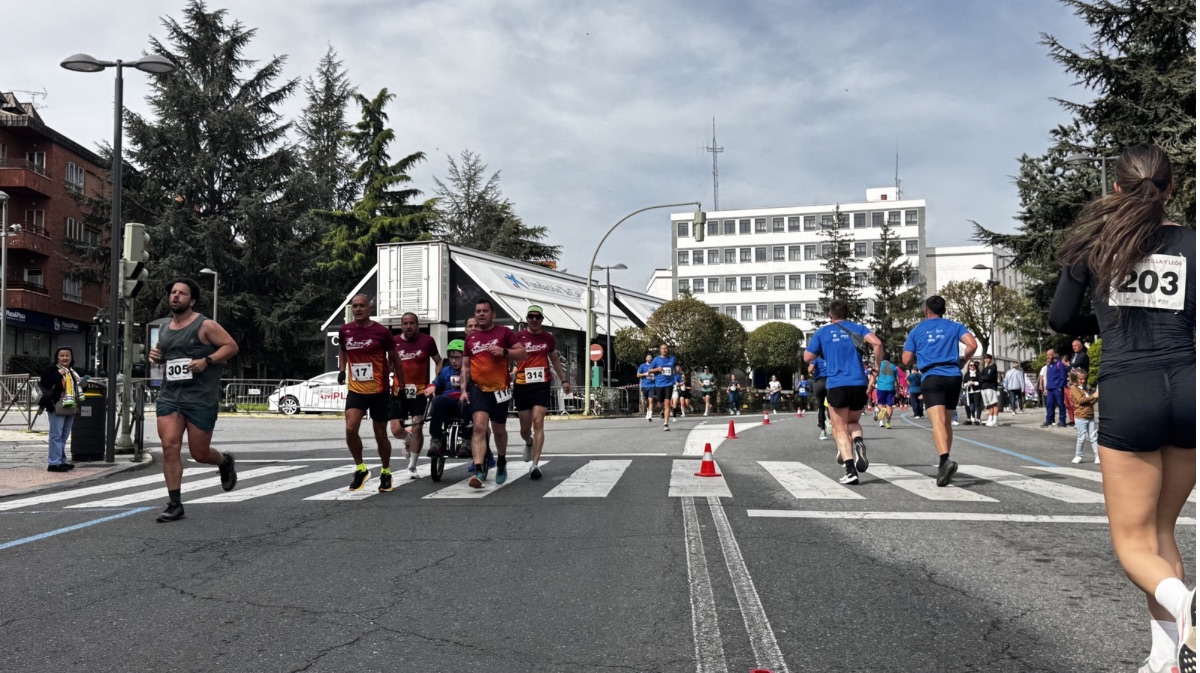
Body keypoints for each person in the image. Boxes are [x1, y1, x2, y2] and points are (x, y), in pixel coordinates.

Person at [1049, 144, 1195, 673]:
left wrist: (1106, 322)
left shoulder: (1093, 244)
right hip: (1190, 389)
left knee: (1133, 543)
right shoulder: (1194, 244)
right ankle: (1169, 658)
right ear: (1171, 187)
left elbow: (1061, 318)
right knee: (1161, 534)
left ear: (1117, 189)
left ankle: (1188, 608)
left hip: (1129, 390)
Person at [148, 278, 240, 522]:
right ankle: (175, 504)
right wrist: (156, 357)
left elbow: (231, 347)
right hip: (170, 396)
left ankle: (224, 461)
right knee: (170, 446)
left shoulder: (205, 325)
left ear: (193, 300)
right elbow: (164, 355)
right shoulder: (166, 327)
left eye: (182, 293)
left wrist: (207, 360)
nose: (175, 296)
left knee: (199, 453)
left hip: (200, 398)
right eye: (173, 292)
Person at [803, 299, 882, 485]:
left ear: (830, 315)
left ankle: (850, 469)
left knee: (839, 428)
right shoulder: (859, 329)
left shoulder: (823, 332)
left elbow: (807, 357)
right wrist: (876, 367)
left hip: (837, 384)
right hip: (858, 384)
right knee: (853, 422)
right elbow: (877, 344)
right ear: (848, 314)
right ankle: (859, 441)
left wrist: (823, 351)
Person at [903, 295, 978, 487]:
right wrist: (963, 360)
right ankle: (944, 463)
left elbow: (906, 360)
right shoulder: (954, 326)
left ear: (926, 310)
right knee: (946, 422)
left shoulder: (917, 330)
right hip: (953, 376)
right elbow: (972, 345)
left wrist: (917, 358)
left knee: (937, 422)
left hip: (932, 377)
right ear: (944, 310)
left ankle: (944, 460)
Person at [338, 293, 405, 492]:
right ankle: (361, 469)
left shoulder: (381, 332)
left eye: (362, 306)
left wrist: (401, 384)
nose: (358, 309)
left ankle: (385, 471)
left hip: (379, 389)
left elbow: (395, 358)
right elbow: (343, 349)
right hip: (356, 389)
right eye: (355, 306)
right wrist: (342, 370)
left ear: (370, 309)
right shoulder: (345, 330)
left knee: (380, 434)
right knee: (350, 429)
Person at [462, 299, 526, 487]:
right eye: (477, 311)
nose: (481, 314)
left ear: (493, 314)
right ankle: (479, 469)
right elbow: (466, 366)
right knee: (479, 426)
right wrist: (464, 390)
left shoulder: (504, 333)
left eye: (485, 311)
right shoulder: (470, 338)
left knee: (498, 430)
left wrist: (504, 351)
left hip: (500, 390)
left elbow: (523, 354)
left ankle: (502, 461)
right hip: (478, 389)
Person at [513, 305, 569, 480]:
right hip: (522, 383)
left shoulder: (548, 338)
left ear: (542, 320)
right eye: (531, 316)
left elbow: (554, 359)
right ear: (527, 319)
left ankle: (535, 465)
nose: (535, 320)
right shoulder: (517, 337)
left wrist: (564, 380)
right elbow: (508, 357)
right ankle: (528, 442)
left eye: (538, 317)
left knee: (538, 423)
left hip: (541, 383)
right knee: (524, 428)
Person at [391, 312, 442, 479]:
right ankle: (407, 439)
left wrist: (435, 382)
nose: (408, 326)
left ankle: (412, 466)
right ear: (401, 325)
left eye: (412, 323)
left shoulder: (427, 341)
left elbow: (439, 360)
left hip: (419, 391)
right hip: (399, 391)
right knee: (396, 429)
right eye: (405, 323)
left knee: (418, 425)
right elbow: (389, 365)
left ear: (417, 325)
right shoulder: (394, 342)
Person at [39, 346, 83, 472]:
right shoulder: (53, 369)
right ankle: (53, 463)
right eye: (62, 355)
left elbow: (76, 389)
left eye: (67, 355)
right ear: (57, 358)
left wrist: (83, 385)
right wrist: (59, 374)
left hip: (71, 405)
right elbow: (45, 383)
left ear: (71, 357)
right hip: (56, 405)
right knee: (56, 435)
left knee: (64, 435)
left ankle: (62, 461)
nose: (65, 358)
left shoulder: (73, 372)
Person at [427, 340, 470, 459]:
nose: (454, 361)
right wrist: (432, 387)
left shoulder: (471, 369)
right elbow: (436, 383)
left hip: (465, 401)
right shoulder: (446, 370)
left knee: (468, 401)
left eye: (457, 357)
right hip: (449, 400)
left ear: (464, 357)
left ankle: (466, 442)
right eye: (451, 357)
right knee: (437, 400)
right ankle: (436, 441)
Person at [1066, 369, 1099, 464]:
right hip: (1081, 417)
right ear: (1074, 379)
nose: (1083, 381)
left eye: (1084, 379)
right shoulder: (1073, 389)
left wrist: (1095, 398)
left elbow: (1089, 401)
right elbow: (1081, 400)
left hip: (1090, 415)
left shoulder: (1082, 389)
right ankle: (1078, 455)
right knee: (1081, 437)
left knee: (1093, 436)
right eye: (1080, 379)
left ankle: (1097, 456)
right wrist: (1094, 396)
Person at [648, 344, 677, 431]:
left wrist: (676, 375)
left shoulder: (672, 359)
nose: (664, 350)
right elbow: (649, 370)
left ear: (667, 350)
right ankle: (662, 411)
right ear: (660, 350)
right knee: (660, 404)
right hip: (659, 384)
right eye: (662, 349)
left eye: (665, 348)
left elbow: (675, 369)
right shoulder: (656, 359)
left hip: (669, 384)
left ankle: (666, 423)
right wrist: (657, 369)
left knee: (667, 403)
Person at [1041, 348, 1068, 428]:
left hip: (1057, 388)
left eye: (1049, 354)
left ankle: (1062, 421)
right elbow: (1047, 377)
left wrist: (1060, 386)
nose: (1048, 356)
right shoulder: (1049, 365)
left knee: (1060, 404)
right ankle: (1049, 420)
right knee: (1049, 405)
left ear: (1054, 355)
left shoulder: (1059, 364)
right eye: (1047, 355)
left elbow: (1063, 376)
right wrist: (1046, 388)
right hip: (1050, 389)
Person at [1065, 338, 1090, 424]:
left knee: (1078, 401)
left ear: (1080, 346)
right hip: (1073, 381)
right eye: (1073, 346)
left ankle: (1080, 418)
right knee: (1071, 401)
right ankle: (1074, 419)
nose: (1073, 347)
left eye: (1075, 345)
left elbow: (1073, 366)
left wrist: (1065, 366)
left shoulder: (1083, 355)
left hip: (1080, 381)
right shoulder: (1074, 356)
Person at [874, 358, 897, 429]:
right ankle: (888, 423)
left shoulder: (879, 365)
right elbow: (897, 380)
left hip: (881, 386)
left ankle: (883, 409)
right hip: (891, 386)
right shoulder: (893, 366)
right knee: (889, 405)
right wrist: (898, 390)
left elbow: (874, 375)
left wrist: (871, 384)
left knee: (880, 403)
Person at [809, 358, 829, 439]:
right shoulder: (830, 355)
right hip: (829, 382)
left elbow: (810, 369)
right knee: (831, 406)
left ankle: (822, 431)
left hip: (819, 383)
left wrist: (814, 376)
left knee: (821, 407)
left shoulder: (816, 358)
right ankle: (832, 425)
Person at [979, 354, 1000, 426]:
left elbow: (989, 377)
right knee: (989, 404)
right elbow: (980, 377)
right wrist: (983, 378)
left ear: (990, 359)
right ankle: (990, 418)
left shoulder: (993, 367)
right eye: (985, 358)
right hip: (984, 387)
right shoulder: (985, 368)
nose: (986, 360)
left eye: (988, 358)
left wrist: (983, 378)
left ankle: (995, 420)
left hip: (990, 387)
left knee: (994, 403)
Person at [962, 360, 983, 425]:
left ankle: (978, 419)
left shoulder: (978, 374)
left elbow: (980, 382)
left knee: (977, 405)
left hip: (976, 391)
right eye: (971, 365)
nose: (972, 366)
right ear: (969, 367)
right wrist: (967, 384)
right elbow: (964, 383)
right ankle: (969, 418)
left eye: (973, 365)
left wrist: (973, 383)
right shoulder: (966, 374)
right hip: (969, 392)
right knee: (967, 405)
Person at [638, 354, 655, 420]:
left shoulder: (654, 366)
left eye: (651, 357)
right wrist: (644, 374)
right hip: (644, 385)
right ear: (646, 359)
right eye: (648, 357)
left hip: (652, 385)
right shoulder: (642, 366)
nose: (650, 358)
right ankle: (648, 410)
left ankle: (650, 415)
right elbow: (638, 375)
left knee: (651, 400)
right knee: (646, 401)